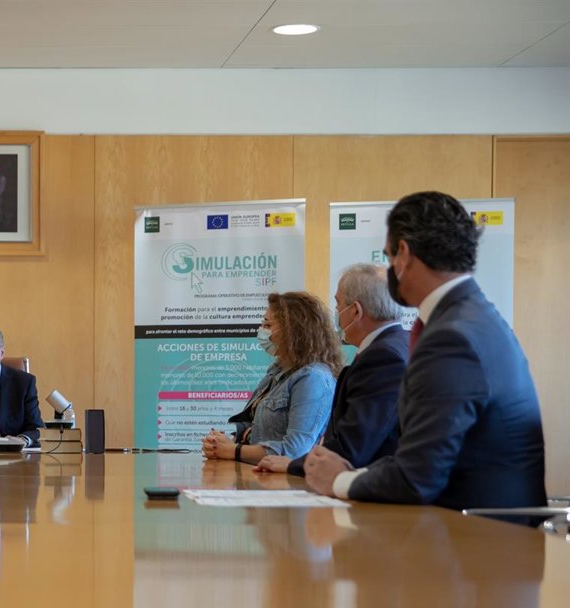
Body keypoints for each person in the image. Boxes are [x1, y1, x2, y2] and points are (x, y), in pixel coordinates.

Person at [305, 191, 546, 511]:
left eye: (389, 257)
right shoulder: (475, 317)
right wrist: (354, 475)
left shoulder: (451, 338)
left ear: (403, 254)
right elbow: (425, 454)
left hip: (478, 533)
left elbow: (417, 478)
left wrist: (338, 481)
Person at [255, 264, 408, 476]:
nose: (336, 313)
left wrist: (292, 465)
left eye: (338, 304)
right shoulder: (398, 344)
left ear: (355, 310)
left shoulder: (383, 356)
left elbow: (353, 446)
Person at [202, 292, 343, 464]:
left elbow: (294, 452)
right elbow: (257, 427)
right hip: (259, 475)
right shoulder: (277, 371)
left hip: (287, 480)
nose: (261, 330)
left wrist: (233, 450)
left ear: (294, 331)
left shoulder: (313, 378)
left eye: (268, 325)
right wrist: (223, 442)